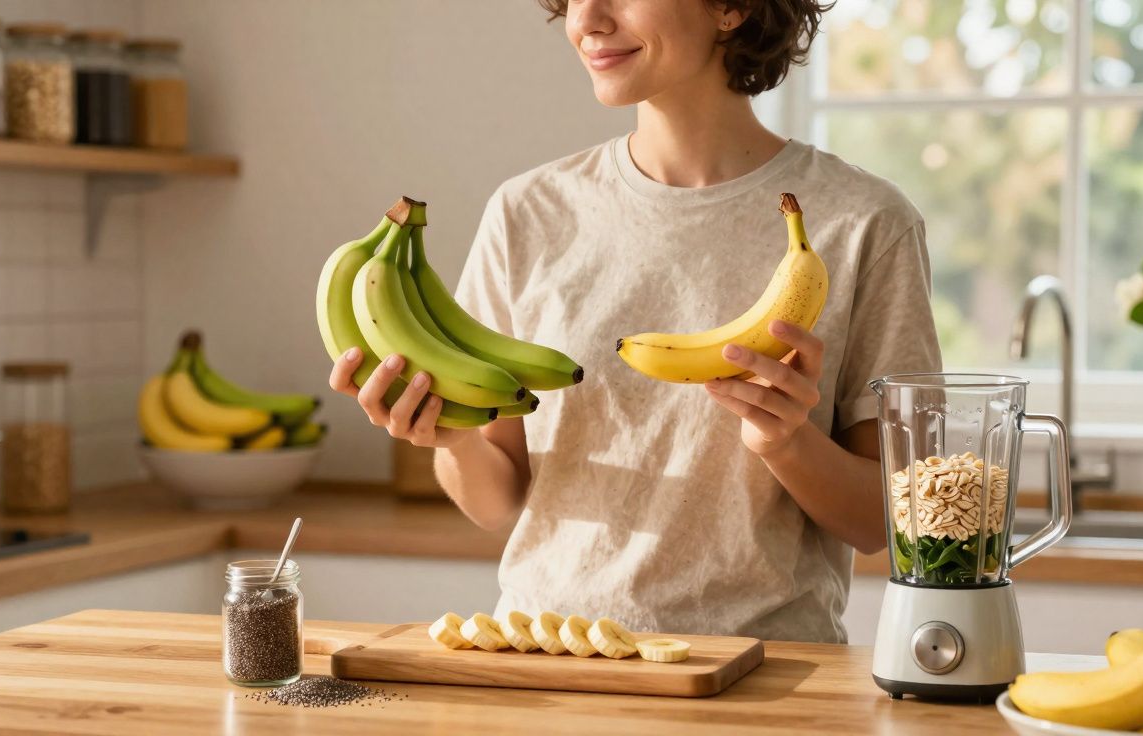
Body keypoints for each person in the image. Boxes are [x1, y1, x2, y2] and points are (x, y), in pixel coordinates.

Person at [329, 0, 941, 643]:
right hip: (548, 657)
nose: (586, 20)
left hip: (763, 668)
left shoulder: (864, 222)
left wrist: (787, 443)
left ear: (731, 8)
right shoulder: (527, 213)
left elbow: (879, 523)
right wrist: (449, 440)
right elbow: (498, 501)